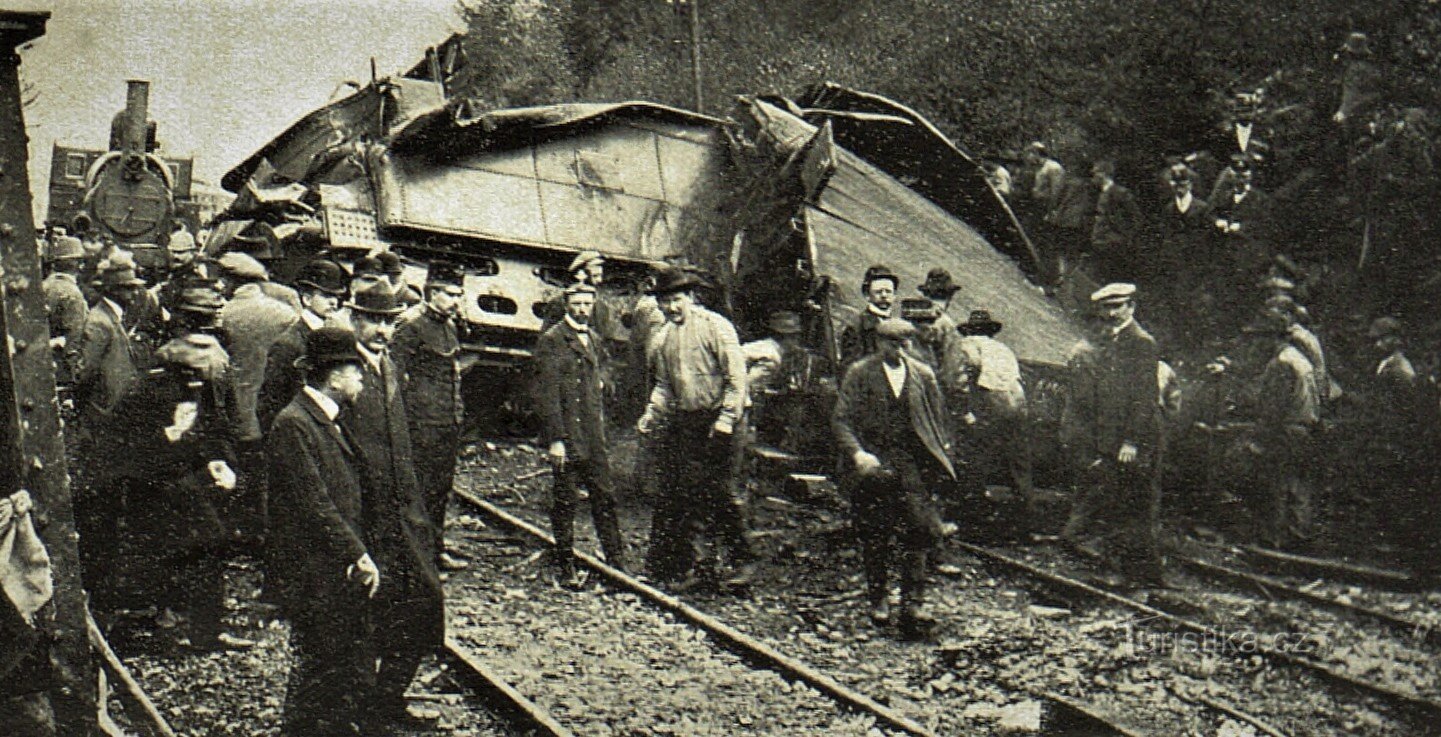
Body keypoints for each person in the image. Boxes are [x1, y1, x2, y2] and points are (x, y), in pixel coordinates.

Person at [101, 282, 253, 651]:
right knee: (202, 545)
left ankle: (181, 622)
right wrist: (176, 438)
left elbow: (205, 429)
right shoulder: (161, 389)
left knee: (195, 546)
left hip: (174, 480)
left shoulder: (177, 379)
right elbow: (134, 442)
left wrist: (212, 459)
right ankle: (189, 627)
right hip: (161, 482)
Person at [337, 283, 443, 730]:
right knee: (366, 616)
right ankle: (365, 712)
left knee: (424, 606)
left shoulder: (392, 368)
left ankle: (386, 698)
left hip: (405, 515)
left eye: (387, 322)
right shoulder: (342, 373)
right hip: (365, 515)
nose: (381, 330)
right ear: (355, 320)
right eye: (373, 321)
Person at [267, 327, 378, 737]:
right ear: (334, 376)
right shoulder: (295, 424)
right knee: (320, 668)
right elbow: (314, 503)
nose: (362, 379)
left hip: (331, 568)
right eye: (357, 371)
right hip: (315, 571)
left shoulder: (326, 420)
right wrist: (356, 554)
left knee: (336, 667)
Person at [832, 318, 953, 639]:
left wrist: (937, 464)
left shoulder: (922, 376)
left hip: (910, 464)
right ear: (880, 344)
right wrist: (858, 454)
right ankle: (879, 597)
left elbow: (938, 424)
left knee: (919, 530)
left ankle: (913, 603)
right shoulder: (860, 373)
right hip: (874, 462)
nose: (901, 350)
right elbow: (841, 420)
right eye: (894, 344)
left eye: (906, 344)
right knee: (876, 531)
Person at [637, 267, 754, 591]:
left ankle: (742, 562)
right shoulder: (664, 338)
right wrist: (651, 412)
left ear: (690, 297)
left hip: (724, 419)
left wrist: (726, 421)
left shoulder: (716, 327)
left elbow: (736, 379)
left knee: (726, 492)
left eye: (676, 300)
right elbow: (664, 385)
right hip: (691, 420)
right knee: (691, 494)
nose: (671, 308)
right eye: (665, 303)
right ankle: (700, 567)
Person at [1060, 283, 1167, 587]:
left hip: (1136, 437)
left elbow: (1144, 396)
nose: (1110, 313)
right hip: (1117, 437)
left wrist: (1132, 441)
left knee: (1136, 506)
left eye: (1117, 306)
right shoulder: (1114, 339)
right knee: (1120, 502)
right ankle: (1127, 571)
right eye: (1106, 307)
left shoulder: (1141, 342)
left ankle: (1141, 575)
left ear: (1131, 307)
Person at [535, 283, 628, 587]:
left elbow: (603, 382)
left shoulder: (595, 340)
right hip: (569, 436)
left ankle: (617, 565)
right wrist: (556, 439)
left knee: (604, 497)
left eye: (587, 303)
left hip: (593, 435)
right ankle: (565, 566)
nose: (582, 308)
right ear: (566, 304)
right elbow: (547, 395)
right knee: (565, 502)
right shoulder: (552, 340)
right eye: (577, 303)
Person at [392, 261, 470, 572]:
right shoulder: (411, 326)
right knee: (418, 490)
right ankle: (415, 556)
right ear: (432, 291)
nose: (456, 301)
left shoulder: (449, 327)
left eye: (459, 294)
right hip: (420, 423)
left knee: (440, 489)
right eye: (450, 294)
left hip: (447, 422)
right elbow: (394, 376)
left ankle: (435, 550)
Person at [1243, 309, 1320, 550]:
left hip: (1286, 432)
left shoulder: (1282, 364)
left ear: (1272, 338)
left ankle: (1274, 541)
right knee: (1297, 486)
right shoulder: (1300, 359)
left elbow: (1273, 408)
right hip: (1305, 429)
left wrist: (1259, 440)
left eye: (1260, 338)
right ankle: (1299, 538)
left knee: (1275, 485)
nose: (1256, 343)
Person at [953, 310, 1034, 532]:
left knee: (977, 456)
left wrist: (965, 411)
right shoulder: (1003, 349)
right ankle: (1024, 516)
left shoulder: (967, 345)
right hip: (1017, 404)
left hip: (992, 403)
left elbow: (963, 377)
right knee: (1018, 460)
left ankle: (974, 517)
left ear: (969, 330)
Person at [258, 259, 347, 433]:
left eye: (336, 296)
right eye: (326, 296)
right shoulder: (289, 343)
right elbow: (269, 402)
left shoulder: (330, 335)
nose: (333, 302)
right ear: (306, 299)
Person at [42, 235, 88, 386]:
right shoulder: (72, 294)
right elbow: (73, 339)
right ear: (77, 263)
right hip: (63, 371)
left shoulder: (44, 285)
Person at [1089, 160, 1143, 283]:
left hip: (1113, 241)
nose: (1093, 177)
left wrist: (1124, 236)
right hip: (1100, 239)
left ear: (1104, 174)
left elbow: (1136, 217)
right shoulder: (1099, 192)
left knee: (1112, 274)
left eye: (1095, 173)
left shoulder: (1120, 193)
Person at [839, 264, 898, 368]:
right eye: (878, 291)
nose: (884, 295)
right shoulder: (856, 328)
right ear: (867, 295)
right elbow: (850, 372)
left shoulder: (898, 327)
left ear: (894, 295)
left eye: (888, 291)